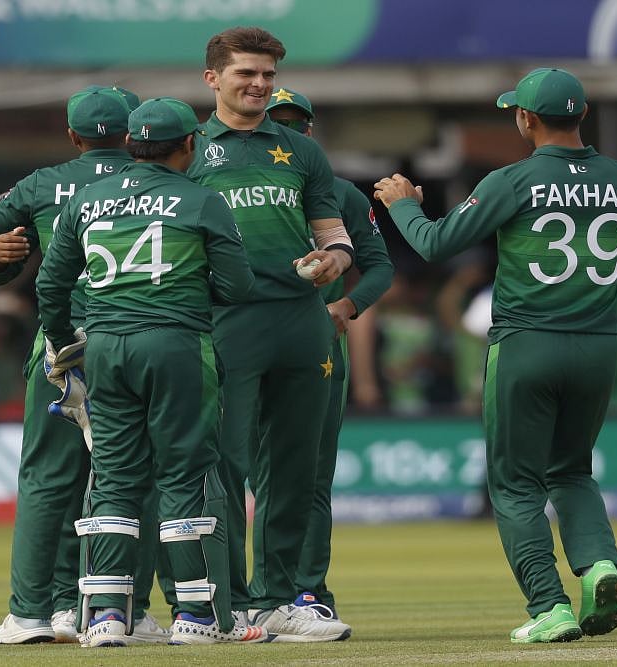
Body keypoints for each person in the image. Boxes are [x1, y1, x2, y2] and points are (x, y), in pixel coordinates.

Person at [374, 67, 617, 643]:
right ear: (582, 114)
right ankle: (600, 566)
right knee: (572, 470)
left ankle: (549, 607)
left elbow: (435, 243)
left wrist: (403, 205)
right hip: (598, 346)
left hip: (526, 344)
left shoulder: (511, 180)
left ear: (526, 119)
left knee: (515, 485)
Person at [37, 96, 265, 647]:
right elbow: (239, 287)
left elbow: (50, 283)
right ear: (189, 144)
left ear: (131, 144)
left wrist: (64, 342)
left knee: (114, 477)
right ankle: (195, 616)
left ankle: (106, 616)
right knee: (183, 475)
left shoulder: (88, 199)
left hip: (105, 347)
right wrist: (185, 295)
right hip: (177, 344)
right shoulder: (203, 200)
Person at [0, 85, 168, 645]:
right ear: (135, 133)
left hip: (64, 344)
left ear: (73, 136)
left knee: (48, 480)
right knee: (135, 479)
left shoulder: (44, 183)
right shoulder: (168, 184)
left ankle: (31, 613)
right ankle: (121, 609)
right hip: (144, 339)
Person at [187, 26, 354, 642]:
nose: (259, 85)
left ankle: (278, 599)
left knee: (293, 470)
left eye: (267, 75)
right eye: (246, 73)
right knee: (225, 466)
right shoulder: (188, 149)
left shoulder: (302, 151)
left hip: (300, 321)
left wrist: (334, 259)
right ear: (213, 78)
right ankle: (226, 602)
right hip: (226, 320)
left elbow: (333, 234)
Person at [264, 86, 394, 619]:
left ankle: (308, 592)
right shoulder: (224, 185)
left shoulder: (342, 194)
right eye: (278, 124)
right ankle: (251, 597)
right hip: (248, 342)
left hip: (317, 346)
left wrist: (348, 306)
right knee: (247, 476)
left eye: (296, 125)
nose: (287, 135)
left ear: (311, 131)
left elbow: (380, 266)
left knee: (311, 478)